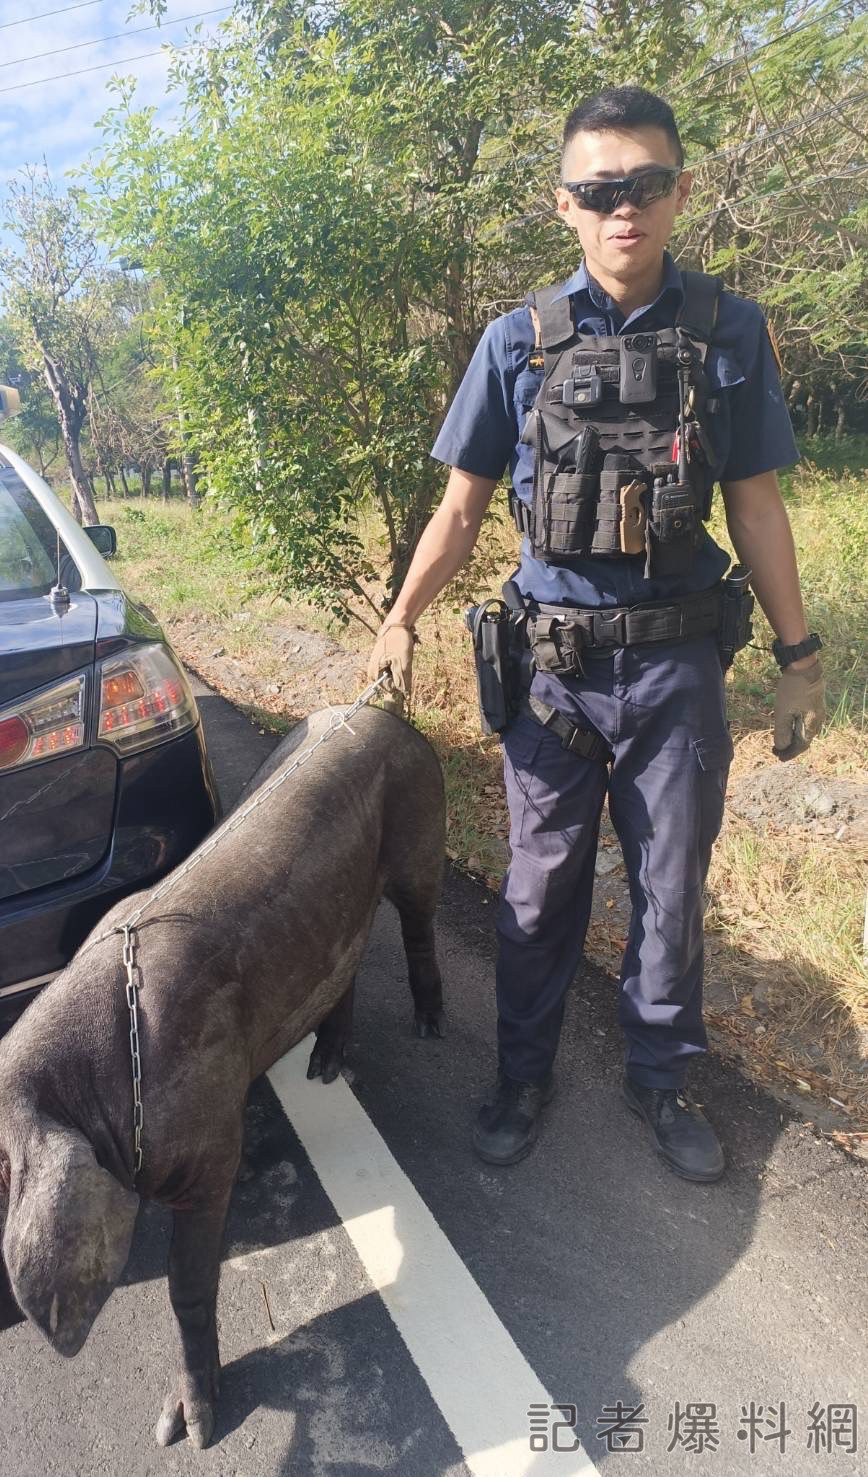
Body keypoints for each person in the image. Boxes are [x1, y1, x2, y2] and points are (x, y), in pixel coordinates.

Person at [367, 87, 825, 1184]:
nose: (626, 209)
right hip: (553, 674)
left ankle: (661, 1074)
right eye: (600, 190)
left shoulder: (728, 329)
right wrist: (398, 617)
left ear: (680, 191)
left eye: (647, 186)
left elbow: (756, 504)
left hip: (676, 669)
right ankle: (523, 1073)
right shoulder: (514, 342)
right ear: (562, 203)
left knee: (671, 888)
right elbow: (461, 508)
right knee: (537, 890)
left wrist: (798, 656)